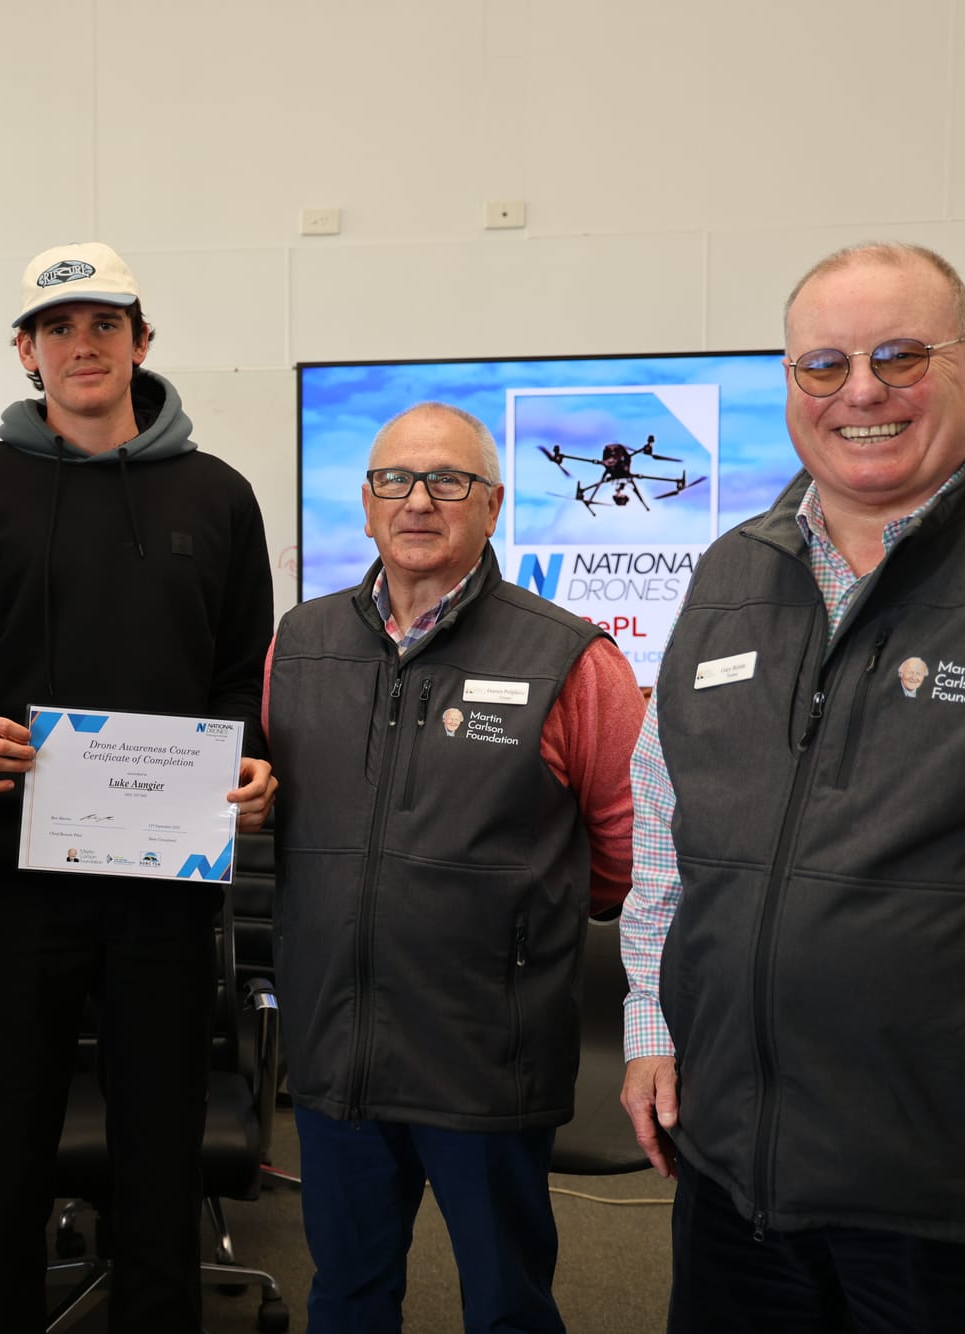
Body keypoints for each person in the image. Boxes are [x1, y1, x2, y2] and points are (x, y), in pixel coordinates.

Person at [619, 242, 965, 1332]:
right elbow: (663, 827)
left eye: (897, 354)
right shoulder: (727, 571)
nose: (861, 391)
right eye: (822, 365)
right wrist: (648, 1021)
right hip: (735, 1183)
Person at [0, 241, 277, 1330]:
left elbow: (235, 681)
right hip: (14, 873)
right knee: (6, 1132)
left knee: (158, 1136)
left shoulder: (217, 496)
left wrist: (250, 761)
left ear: (141, 342)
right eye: (58, 327)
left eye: (104, 322)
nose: (83, 344)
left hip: (164, 875)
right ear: (26, 351)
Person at [267, 402, 642, 1333]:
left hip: (485, 1052)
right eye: (395, 479)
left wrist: (514, 921)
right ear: (364, 504)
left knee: (507, 1302)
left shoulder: (571, 658)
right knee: (346, 1295)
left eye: (449, 481)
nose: (419, 500)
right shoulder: (297, 645)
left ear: (494, 505)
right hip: (335, 1048)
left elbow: (630, 851)